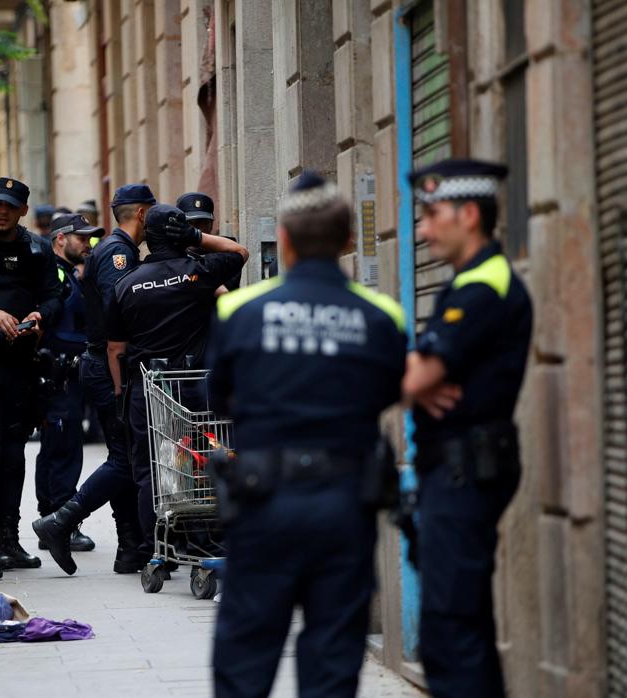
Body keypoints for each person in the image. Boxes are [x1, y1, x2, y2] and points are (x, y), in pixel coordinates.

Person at [206, 172, 407, 697]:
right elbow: (389, 393)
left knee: (246, 655)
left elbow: (219, 398)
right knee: (334, 658)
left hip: (263, 502)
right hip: (345, 506)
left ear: (287, 241)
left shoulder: (238, 311)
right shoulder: (382, 316)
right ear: (347, 242)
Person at [400, 158, 533, 697]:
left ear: (470, 214)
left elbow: (419, 376)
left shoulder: (483, 288)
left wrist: (411, 376)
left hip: (464, 474)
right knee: (463, 629)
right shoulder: (469, 284)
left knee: (453, 635)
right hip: (457, 473)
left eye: (433, 215)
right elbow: (417, 376)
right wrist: (413, 375)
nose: (424, 229)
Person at [106, 204, 248, 565]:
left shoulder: (125, 285)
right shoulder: (197, 272)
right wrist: (197, 238)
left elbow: (116, 346)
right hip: (193, 384)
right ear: (181, 234)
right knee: (202, 458)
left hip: (149, 387)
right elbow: (239, 252)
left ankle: (155, 549)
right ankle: (207, 541)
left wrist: (122, 392)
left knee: (151, 468)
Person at [31, 184, 156, 575]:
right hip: (108, 366)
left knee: (124, 455)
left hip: (102, 366)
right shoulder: (118, 253)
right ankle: (60, 521)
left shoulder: (115, 250)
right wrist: (121, 381)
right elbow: (123, 313)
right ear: (142, 214)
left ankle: (128, 548)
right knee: (124, 458)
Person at [0, 177, 62, 570]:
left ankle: (10, 537)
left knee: (13, 453)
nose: (2, 212)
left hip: (21, 365)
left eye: (10, 206)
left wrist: (41, 316)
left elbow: (56, 295)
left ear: (23, 210)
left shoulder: (37, 249)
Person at [33, 213, 97, 552]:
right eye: (82, 238)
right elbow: (49, 326)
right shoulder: (56, 275)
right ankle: (60, 522)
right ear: (61, 239)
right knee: (63, 450)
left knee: (56, 447)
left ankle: (51, 519)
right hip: (57, 375)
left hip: (64, 375)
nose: (87, 245)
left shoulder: (66, 274)